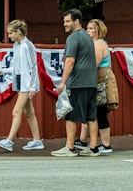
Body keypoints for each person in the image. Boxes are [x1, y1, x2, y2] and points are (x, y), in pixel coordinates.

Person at [51, 9, 99, 157]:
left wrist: (62, 83)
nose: (64, 24)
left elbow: (70, 61)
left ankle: (70, 148)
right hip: (91, 82)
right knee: (91, 116)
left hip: (77, 82)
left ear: (76, 21)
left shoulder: (73, 38)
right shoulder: (87, 36)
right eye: (64, 21)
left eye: (67, 21)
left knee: (70, 115)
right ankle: (93, 147)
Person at [0, 19, 43, 152]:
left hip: (26, 85)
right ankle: (37, 140)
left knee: (17, 111)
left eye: (10, 33)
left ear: (18, 32)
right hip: (20, 82)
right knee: (29, 112)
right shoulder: (17, 45)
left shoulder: (28, 45)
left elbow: (33, 67)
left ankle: (9, 140)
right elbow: (17, 67)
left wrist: (33, 86)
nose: (8, 36)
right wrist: (3, 70)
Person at [76, 18, 114, 155]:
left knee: (100, 112)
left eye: (91, 28)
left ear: (98, 30)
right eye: (87, 28)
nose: (88, 31)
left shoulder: (98, 44)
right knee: (90, 110)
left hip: (99, 80)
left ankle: (106, 144)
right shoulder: (94, 43)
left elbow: (94, 64)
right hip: (96, 79)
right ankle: (82, 140)